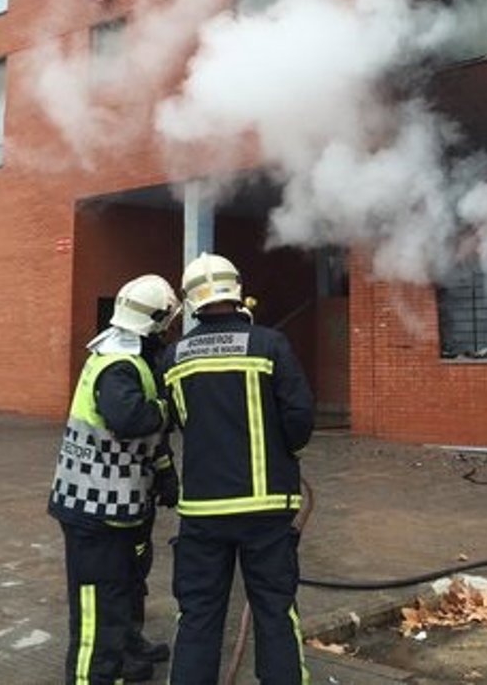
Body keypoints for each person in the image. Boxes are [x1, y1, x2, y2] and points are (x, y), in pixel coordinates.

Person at [161, 253, 315, 685]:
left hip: (203, 514)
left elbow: (171, 419)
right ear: (237, 289)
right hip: (267, 509)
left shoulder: (175, 357)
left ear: (192, 301)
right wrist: (284, 448)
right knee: (274, 611)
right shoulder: (270, 344)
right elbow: (300, 417)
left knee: (198, 615)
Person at [48, 274, 181, 685]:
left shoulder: (130, 356)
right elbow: (131, 420)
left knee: (125, 584)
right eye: (168, 322)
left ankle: (126, 650)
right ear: (155, 321)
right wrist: (169, 406)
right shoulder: (118, 365)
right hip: (94, 508)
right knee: (97, 603)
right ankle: (94, 675)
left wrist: (165, 474)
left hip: (122, 504)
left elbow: (147, 440)